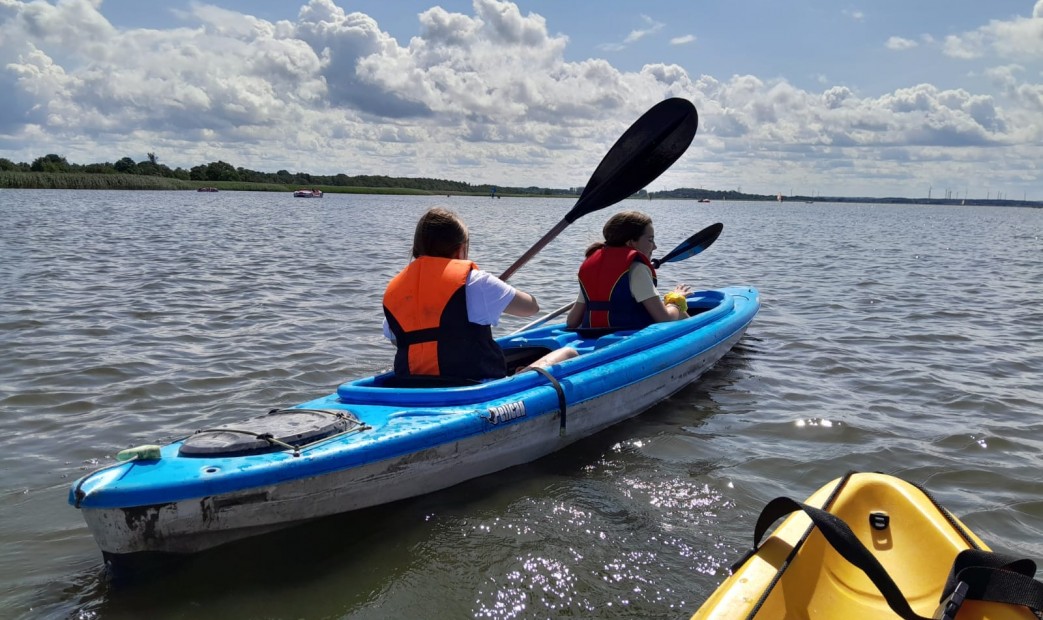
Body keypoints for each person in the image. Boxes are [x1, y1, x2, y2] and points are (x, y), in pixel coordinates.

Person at [383, 207, 541, 381]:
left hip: (412, 388)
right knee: (568, 352)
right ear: (461, 250)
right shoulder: (477, 282)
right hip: (472, 388)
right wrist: (497, 288)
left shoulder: (396, 289)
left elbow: (396, 340)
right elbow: (531, 308)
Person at [566, 211, 692, 330]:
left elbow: (572, 322)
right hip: (630, 340)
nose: (655, 246)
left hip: (593, 335)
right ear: (631, 242)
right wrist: (676, 300)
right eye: (650, 240)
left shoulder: (593, 267)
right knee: (679, 312)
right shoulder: (637, 268)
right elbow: (664, 319)